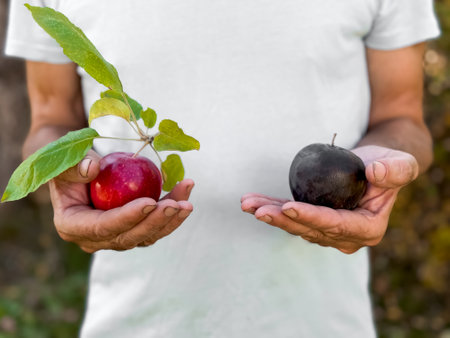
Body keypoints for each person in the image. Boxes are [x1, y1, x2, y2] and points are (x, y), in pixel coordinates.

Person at [5, 0, 440, 337]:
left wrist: (382, 167)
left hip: (323, 322)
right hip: (133, 322)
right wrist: (61, 172)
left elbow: (402, 116)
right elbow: (50, 120)